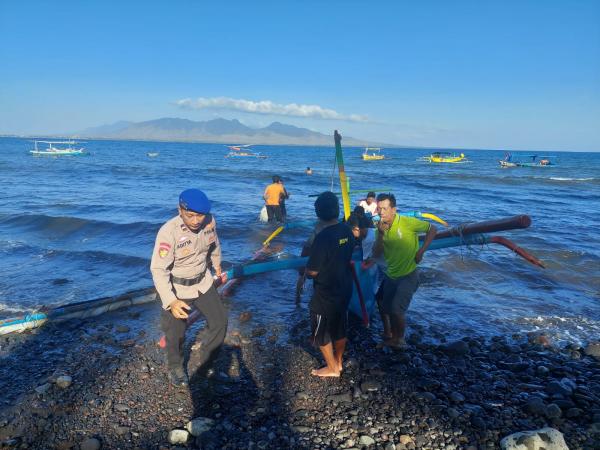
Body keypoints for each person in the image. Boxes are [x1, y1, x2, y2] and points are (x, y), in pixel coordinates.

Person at [150, 189, 228, 387]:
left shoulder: (210, 221)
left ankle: (208, 363)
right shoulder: (168, 232)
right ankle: (175, 366)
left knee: (220, 322)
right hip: (177, 289)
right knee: (175, 333)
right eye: (190, 215)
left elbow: (214, 244)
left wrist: (217, 264)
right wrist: (171, 301)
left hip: (203, 283)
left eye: (199, 215)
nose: (195, 221)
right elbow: (158, 269)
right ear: (180, 210)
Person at [372, 193, 436, 349]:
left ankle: (399, 340)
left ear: (394, 209)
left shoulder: (407, 222)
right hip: (391, 274)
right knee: (384, 306)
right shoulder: (379, 228)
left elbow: (432, 229)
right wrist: (380, 234)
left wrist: (422, 251)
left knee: (396, 309)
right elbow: (376, 253)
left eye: (385, 209)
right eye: (379, 209)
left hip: (409, 274)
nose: (381, 213)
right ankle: (390, 334)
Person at [305, 191, 355, 377]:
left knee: (320, 333)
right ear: (337, 209)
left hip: (325, 292)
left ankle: (332, 368)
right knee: (340, 326)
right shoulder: (347, 230)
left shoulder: (323, 237)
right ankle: (339, 362)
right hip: (344, 287)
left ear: (318, 212)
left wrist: (304, 271)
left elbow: (312, 272)